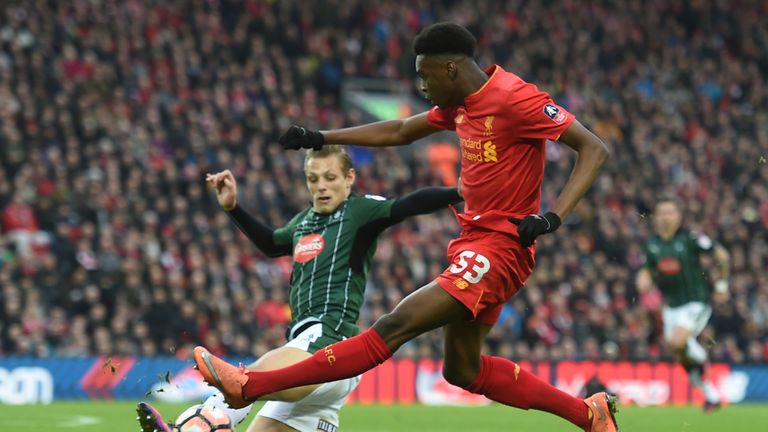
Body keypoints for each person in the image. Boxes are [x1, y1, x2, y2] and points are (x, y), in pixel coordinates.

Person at [194, 22, 617, 432]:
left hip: (501, 246)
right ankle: (589, 415)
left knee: (395, 325)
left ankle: (250, 386)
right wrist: (319, 137)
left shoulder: (515, 97)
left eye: (423, 74)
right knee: (463, 370)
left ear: (450, 67)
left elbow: (593, 148)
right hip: (474, 241)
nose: (422, 85)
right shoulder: (460, 106)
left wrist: (551, 217)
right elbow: (400, 130)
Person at [137, 145, 462, 432]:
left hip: (329, 342)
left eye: (331, 177)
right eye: (314, 178)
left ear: (349, 178)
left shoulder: (360, 211)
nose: (321, 186)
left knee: (245, 382)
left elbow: (408, 204)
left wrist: (457, 191)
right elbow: (270, 243)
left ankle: (195, 426)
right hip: (310, 359)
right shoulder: (303, 222)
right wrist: (233, 208)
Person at [635, 198, 730, 412]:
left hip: (696, 302)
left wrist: (722, 285)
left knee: (679, 341)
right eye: (662, 213)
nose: (666, 217)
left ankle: (703, 358)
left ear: (679, 216)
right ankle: (711, 396)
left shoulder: (691, 239)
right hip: (672, 307)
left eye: (670, 212)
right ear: (655, 218)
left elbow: (722, 256)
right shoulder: (652, 245)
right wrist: (643, 279)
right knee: (680, 354)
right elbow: (646, 271)